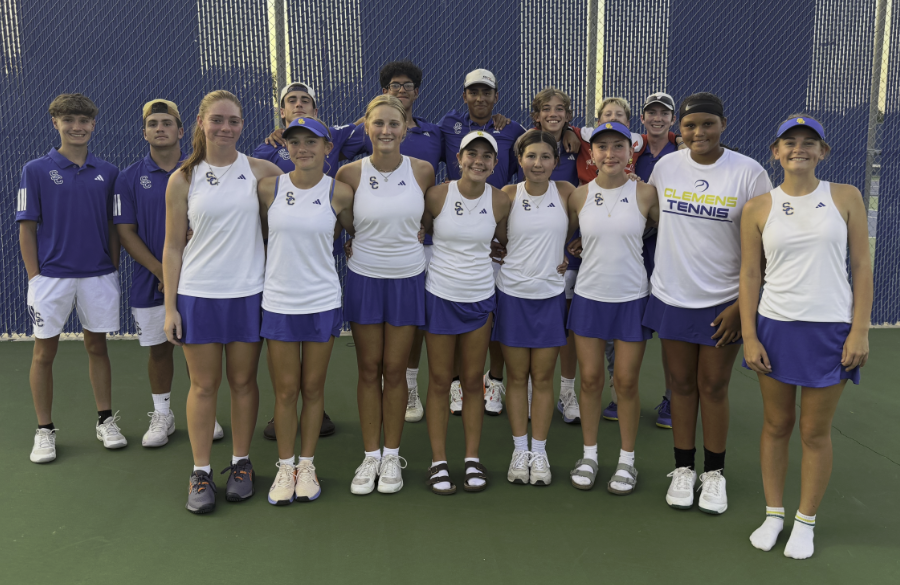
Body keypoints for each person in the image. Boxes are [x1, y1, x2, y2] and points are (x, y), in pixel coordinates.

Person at [740, 115, 871, 559]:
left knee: (815, 431)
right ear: (775, 152)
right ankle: (774, 514)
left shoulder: (846, 197)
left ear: (822, 152)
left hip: (832, 332)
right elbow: (750, 274)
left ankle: (805, 522)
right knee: (777, 425)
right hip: (774, 328)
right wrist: (750, 336)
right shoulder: (758, 207)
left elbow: (861, 267)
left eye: (809, 142)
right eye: (789, 142)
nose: (799, 148)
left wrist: (858, 331)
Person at [642, 92, 773, 514]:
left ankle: (713, 474)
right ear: (679, 128)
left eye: (708, 124)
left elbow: (765, 246)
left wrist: (742, 304)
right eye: (691, 125)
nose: (699, 133)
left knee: (713, 387)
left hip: (724, 302)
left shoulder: (748, 173)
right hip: (672, 295)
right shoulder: (665, 167)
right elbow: (655, 218)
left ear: (723, 125)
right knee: (680, 386)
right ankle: (683, 468)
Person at [163, 90, 282, 514]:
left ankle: (241, 464)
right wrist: (171, 306)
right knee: (203, 385)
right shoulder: (183, 178)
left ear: (243, 125)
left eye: (233, 120)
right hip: (198, 296)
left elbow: (301, 206)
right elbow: (173, 247)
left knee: (244, 383)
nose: (225, 127)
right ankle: (200, 472)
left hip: (249, 295)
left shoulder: (262, 171)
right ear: (200, 122)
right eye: (217, 119)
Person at [19, 93, 125, 463]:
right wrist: (35, 277)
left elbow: (115, 229)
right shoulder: (35, 169)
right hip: (51, 280)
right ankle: (44, 431)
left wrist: (110, 267)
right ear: (56, 123)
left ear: (93, 125)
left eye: (83, 121)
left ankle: (105, 420)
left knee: (98, 347)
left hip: (98, 276)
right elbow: (27, 228)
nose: (77, 127)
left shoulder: (108, 172)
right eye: (69, 121)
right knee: (43, 352)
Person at [338, 95, 435, 495]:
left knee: (395, 372)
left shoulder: (424, 171)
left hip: (408, 280)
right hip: (364, 279)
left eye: (394, 123)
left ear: (406, 127)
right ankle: (370, 455)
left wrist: (422, 233)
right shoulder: (349, 173)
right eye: (378, 123)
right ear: (366, 126)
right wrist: (353, 240)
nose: (386, 130)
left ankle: (392, 455)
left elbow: (430, 217)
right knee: (368, 370)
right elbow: (345, 221)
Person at [114, 99, 223, 447]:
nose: (160, 128)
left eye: (167, 123)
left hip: (199, 277)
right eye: (153, 123)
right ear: (144, 132)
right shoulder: (128, 177)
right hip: (152, 278)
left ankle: (203, 411)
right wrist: (163, 269)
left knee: (197, 347)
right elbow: (125, 231)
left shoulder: (204, 171)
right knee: (160, 349)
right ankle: (163, 413)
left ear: (181, 130)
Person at [259, 117, 355, 505]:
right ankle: (285, 466)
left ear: (327, 148)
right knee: (285, 391)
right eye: (295, 142)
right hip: (279, 301)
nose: (303, 148)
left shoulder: (341, 193)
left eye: (311, 142)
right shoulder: (268, 189)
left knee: (313, 389)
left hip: (321, 301)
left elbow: (354, 231)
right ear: (287, 147)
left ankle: (307, 464)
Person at [565, 121, 658, 494]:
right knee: (589, 380)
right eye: (601, 147)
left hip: (632, 299)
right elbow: (564, 236)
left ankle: (627, 461)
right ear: (591, 153)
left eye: (617, 146)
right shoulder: (578, 195)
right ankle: (589, 456)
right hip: (588, 298)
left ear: (630, 152)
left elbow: (671, 237)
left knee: (625, 383)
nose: (609, 154)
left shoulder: (647, 194)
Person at [421, 131, 510, 494]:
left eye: (486, 156)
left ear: (495, 163)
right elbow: (412, 232)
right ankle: (438, 462)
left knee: (474, 382)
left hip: (479, 300)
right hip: (440, 297)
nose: (478, 161)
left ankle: (472, 459)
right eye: (471, 154)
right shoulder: (437, 195)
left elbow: (506, 243)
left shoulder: (501, 201)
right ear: (458, 158)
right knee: (441, 382)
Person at [439, 69, 528, 417]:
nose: (480, 98)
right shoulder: (448, 124)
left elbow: (540, 147)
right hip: (459, 233)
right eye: (473, 92)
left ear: (496, 97)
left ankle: (494, 381)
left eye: (486, 92)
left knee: (492, 314)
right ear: (464, 96)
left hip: (497, 232)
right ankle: (458, 385)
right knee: (458, 308)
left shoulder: (512, 130)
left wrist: (566, 134)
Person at [597, 93, 682, 428]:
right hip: (632, 251)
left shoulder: (683, 153)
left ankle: (672, 400)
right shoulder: (628, 149)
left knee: (670, 330)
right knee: (619, 326)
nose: (658, 118)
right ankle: (619, 396)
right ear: (642, 120)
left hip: (671, 252)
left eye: (664, 113)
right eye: (652, 113)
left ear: (672, 120)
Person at [495, 130, 574, 486]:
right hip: (512, 294)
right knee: (516, 377)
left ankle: (538, 452)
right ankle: (519, 449)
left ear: (555, 161)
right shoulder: (507, 195)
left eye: (545, 157)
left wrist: (572, 254)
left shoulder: (568, 193)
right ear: (520, 160)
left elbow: (594, 221)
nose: (538, 163)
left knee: (542, 378)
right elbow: (493, 236)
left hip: (550, 295)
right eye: (531, 156)